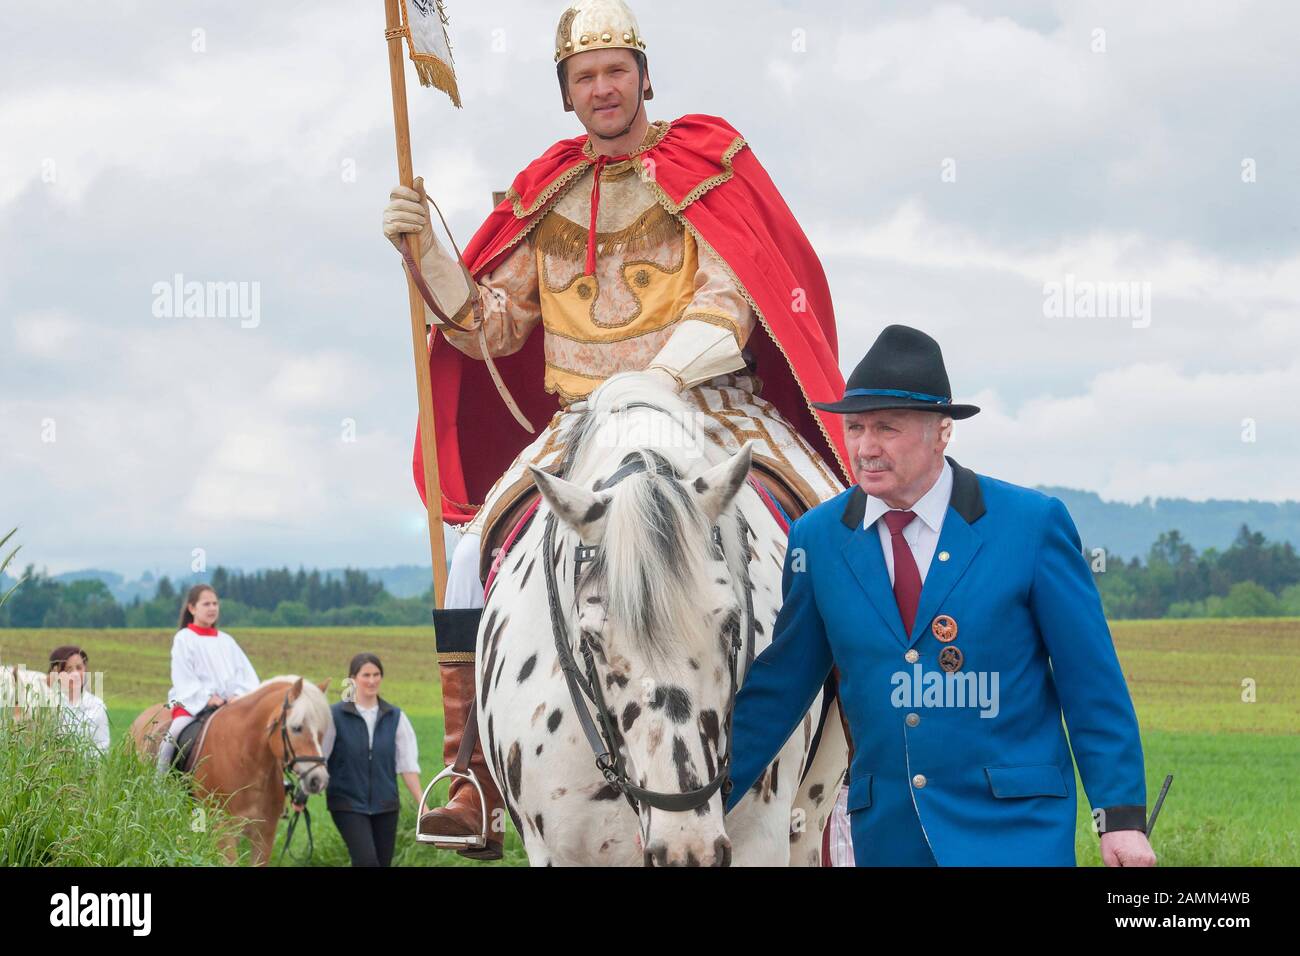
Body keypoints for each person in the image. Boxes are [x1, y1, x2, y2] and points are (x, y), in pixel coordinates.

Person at [381, 0, 851, 858]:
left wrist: (656, 380)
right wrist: (432, 260)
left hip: (707, 400)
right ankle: (473, 774)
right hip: (580, 423)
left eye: (615, 72)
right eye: (584, 77)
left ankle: (863, 736)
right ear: (566, 93)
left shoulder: (706, 163)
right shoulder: (545, 192)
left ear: (643, 76)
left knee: (838, 519)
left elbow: (732, 294)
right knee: (472, 553)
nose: (603, 89)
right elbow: (494, 327)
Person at [725, 325, 1158, 867]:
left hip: (1015, 828)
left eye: (887, 427)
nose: (865, 447)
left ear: (942, 432)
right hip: (889, 834)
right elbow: (781, 686)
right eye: (855, 427)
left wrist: (1119, 820)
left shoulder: (1032, 526)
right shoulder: (818, 539)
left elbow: (1090, 681)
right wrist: (698, 802)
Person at [322, 653, 423, 868]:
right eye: (366, 675)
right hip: (347, 803)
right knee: (366, 861)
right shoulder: (334, 716)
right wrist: (302, 796)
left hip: (386, 804)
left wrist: (422, 804)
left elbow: (407, 766)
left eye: (376, 674)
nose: (372, 680)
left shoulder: (395, 716)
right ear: (352, 679)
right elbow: (320, 758)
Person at [155, 585, 260, 775]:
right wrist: (207, 698)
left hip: (229, 704)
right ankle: (160, 781)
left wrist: (238, 695)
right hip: (193, 705)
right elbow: (183, 676)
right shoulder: (184, 638)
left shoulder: (227, 640)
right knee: (171, 737)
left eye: (215, 603)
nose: (212, 608)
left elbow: (245, 675)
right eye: (206, 604)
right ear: (192, 608)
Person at [47, 644, 110, 753]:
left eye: (79, 668)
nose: (75, 674)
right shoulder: (48, 705)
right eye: (68, 670)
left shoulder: (97, 706)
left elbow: (102, 749)